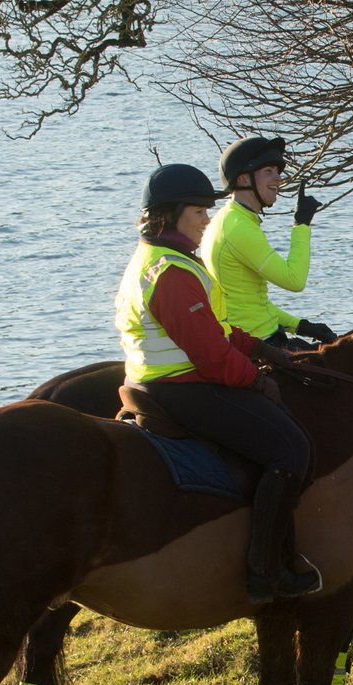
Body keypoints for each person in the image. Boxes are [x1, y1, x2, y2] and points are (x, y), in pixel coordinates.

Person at [115, 161, 323, 602]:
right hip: (183, 389)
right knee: (291, 449)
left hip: (167, 381)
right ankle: (264, 572)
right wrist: (255, 380)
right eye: (198, 213)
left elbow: (219, 329)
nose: (207, 220)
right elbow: (211, 357)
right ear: (170, 215)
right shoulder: (170, 274)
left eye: (208, 211)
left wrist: (263, 351)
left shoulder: (162, 259)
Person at [200, 135, 338, 347]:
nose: (278, 179)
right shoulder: (238, 228)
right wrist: (301, 224)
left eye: (278, 171)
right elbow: (294, 280)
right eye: (268, 172)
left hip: (260, 337)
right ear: (244, 179)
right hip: (257, 344)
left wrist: (300, 325)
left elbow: (252, 303)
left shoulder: (230, 219)